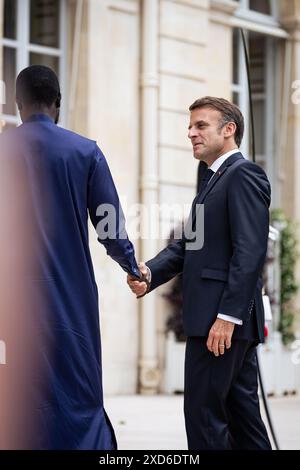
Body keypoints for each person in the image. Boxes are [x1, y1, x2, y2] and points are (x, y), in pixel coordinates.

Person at [0, 65, 141, 450]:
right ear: (58, 104)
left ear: (17, 104)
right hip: (69, 299)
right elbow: (110, 225)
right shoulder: (85, 151)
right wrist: (133, 267)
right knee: (76, 392)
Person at [128, 97, 272, 450]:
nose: (190, 133)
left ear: (229, 129)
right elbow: (187, 246)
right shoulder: (211, 180)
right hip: (218, 322)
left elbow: (250, 251)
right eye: (190, 126)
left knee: (204, 417)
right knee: (243, 419)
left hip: (217, 323)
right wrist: (149, 273)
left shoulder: (243, 174)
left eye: (200, 126)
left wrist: (227, 317)